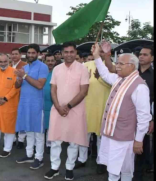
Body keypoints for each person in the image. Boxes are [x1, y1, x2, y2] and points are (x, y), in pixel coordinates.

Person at [92, 42, 152, 181]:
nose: (116, 66)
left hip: (124, 138)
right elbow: (105, 74)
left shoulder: (139, 86)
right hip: (112, 134)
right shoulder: (120, 79)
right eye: (117, 63)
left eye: (120, 64)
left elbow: (144, 117)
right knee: (119, 169)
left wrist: (138, 141)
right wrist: (96, 56)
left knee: (118, 171)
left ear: (131, 66)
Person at [44, 42, 89, 180]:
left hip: (75, 110)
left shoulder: (83, 69)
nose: (69, 54)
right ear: (62, 54)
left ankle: (69, 168)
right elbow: (53, 89)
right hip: (57, 109)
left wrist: (68, 106)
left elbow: (83, 92)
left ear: (75, 53)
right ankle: (54, 167)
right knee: (56, 140)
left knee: (73, 141)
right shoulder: (57, 69)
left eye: (71, 52)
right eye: (66, 52)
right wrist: (58, 106)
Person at [75, 43, 114, 174]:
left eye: (103, 51)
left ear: (108, 53)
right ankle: (82, 158)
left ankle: (101, 161)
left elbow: (111, 80)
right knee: (83, 134)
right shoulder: (85, 65)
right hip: (86, 105)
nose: (101, 53)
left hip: (103, 106)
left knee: (101, 137)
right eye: (99, 51)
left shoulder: (111, 66)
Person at [14, 44, 49, 170]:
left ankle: (39, 158)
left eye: (33, 53)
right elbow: (17, 86)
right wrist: (18, 79)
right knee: (28, 130)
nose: (30, 55)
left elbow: (40, 85)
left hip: (37, 105)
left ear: (38, 54)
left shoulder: (43, 67)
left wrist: (24, 76)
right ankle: (29, 154)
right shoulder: (24, 67)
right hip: (24, 103)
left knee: (38, 133)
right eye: (28, 53)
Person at [134, 45, 154, 181]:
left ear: (152, 58)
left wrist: (152, 119)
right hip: (128, 115)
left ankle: (139, 175)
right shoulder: (132, 73)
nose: (141, 56)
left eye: (145, 54)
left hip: (145, 117)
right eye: (140, 54)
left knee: (141, 144)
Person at [10, 48, 28, 149]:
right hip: (11, 96)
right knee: (12, 118)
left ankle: (21, 139)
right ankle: (12, 138)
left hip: (22, 95)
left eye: (16, 54)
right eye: (12, 54)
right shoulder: (9, 66)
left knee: (21, 118)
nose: (14, 56)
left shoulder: (25, 66)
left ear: (20, 55)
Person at [43, 54, 56, 154]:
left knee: (51, 126)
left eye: (52, 60)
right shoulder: (41, 73)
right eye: (48, 60)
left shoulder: (57, 73)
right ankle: (38, 145)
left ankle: (49, 144)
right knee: (41, 126)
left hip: (53, 103)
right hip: (41, 103)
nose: (50, 63)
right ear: (45, 61)